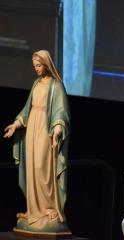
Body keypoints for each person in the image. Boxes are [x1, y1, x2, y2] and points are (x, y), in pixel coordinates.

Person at [3, 50, 70, 234]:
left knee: (43, 169)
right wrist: (16, 125)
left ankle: (49, 208)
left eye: (39, 65)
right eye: (35, 66)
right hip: (32, 128)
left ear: (47, 64)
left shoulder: (56, 86)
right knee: (32, 168)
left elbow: (61, 111)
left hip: (45, 131)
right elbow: (27, 109)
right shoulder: (36, 84)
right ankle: (34, 210)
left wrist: (57, 128)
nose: (37, 69)